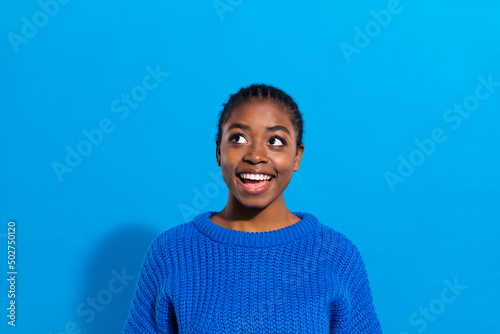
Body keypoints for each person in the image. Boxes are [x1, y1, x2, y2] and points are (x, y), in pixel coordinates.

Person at [123, 84, 382, 333]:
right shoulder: (170, 252)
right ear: (218, 152)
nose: (256, 155)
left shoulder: (336, 255)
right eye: (238, 138)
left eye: (276, 141)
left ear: (297, 157)